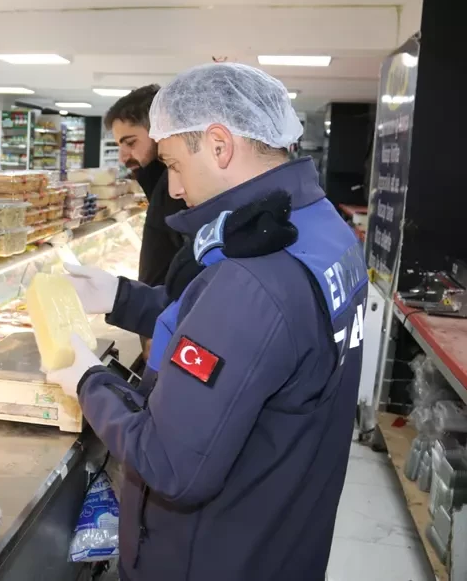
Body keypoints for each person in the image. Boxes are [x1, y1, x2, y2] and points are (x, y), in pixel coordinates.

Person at [48, 63, 368, 581]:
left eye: (174, 164)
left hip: (212, 555)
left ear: (219, 145)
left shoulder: (256, 276)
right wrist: (121, 297)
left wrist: (90, 382)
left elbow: (169, 463)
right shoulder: (319, 226)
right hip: (284, 531)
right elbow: (247, 337)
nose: (173, 188)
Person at [105, 85, 189, 372]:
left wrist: (159, 327)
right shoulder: (159, 182)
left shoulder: (175, 187)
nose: (123, 156)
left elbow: (190, 267)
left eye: (130, 142)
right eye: (119, 145)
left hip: (168, 333)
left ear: (159, 132)